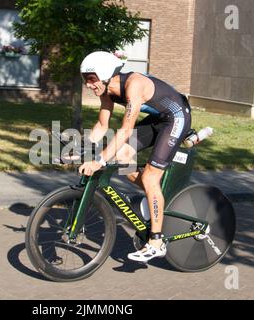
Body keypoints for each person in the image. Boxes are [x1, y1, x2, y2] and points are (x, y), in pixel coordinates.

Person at [78, 51, 192, 262]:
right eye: (86, 80)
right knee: (122, 159)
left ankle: (156, 243)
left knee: (150, 177)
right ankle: (155, 198)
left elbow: (125, 130)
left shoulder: (134, 84)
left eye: (91, 79)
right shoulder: (106, 90)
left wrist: (99, 160)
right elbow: (102, 125)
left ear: (104, 75)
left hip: (176, 118)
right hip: (157, 119)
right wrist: (79, 149)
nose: (88, 85)